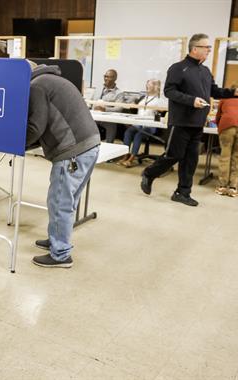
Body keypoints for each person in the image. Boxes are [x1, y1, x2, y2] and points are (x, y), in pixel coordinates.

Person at [140, 33, 238, 206]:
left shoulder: (205, 70)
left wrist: (233, 93)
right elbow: (169, 91)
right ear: (195, 49)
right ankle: (149, 174)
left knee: (191, 159)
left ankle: (182, 192)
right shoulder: (178, 68)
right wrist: (191, 100)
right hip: (180, 122)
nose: (209, 50)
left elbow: (214, 91)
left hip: (197, 123)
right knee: (173, 155)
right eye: (206, 47)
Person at [26, 61, 101, 269]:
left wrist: (16, 144)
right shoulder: (52, 79)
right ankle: (55, 239)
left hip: (73, 151)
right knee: (64, 200)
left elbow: (36, 126)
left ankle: (60, 254)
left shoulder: (37, 86)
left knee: (60, 202)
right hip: (88, 144)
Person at [118, 79, 167, 168]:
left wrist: (159, 110)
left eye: (150, 85)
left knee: (139, 135)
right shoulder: (143, 98)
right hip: (138, 123)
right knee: (128, 132)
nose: (147, 86)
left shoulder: (159, 100)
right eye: (147, 84)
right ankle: (126, 155)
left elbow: (163, 112)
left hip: (151, 126)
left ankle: (131, 159)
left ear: (156, 87)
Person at [93, 69, 123, 143]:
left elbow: (119, 109)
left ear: (115, 78)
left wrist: (105, 109)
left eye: (109, 77)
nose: (106, 78)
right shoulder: (98, 89)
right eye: (105, 76)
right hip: (94, 117)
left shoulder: (119, 93)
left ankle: (109, 145)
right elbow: (90, 101)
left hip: (107, 119)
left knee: (112, 125)